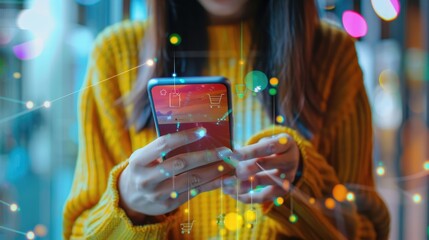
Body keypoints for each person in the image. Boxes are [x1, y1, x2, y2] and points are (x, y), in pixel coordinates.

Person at [63, 0, 390, 239]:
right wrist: (130, 204)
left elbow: (366, 231)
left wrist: (301, 184)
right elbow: (79, 232)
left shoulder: (331, 54)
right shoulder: (116, 54)